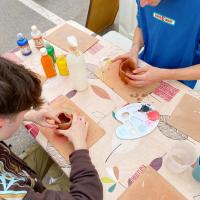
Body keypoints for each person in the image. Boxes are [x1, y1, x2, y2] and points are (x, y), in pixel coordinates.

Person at [0, 57, 103, 200]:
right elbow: (89, 197)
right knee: (83, 172)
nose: (26, 112)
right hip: (21, 184)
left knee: (50, 150)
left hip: (15, 168)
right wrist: (80, 146)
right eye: (24, 111)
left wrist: (30, 115)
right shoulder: (9, 194)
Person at [114, 0, 200, 89]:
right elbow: (141, 25)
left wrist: (162, 75)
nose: (142, 4)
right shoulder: (144, 2)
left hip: (179, 80)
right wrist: (134, 50)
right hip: (144, 66)